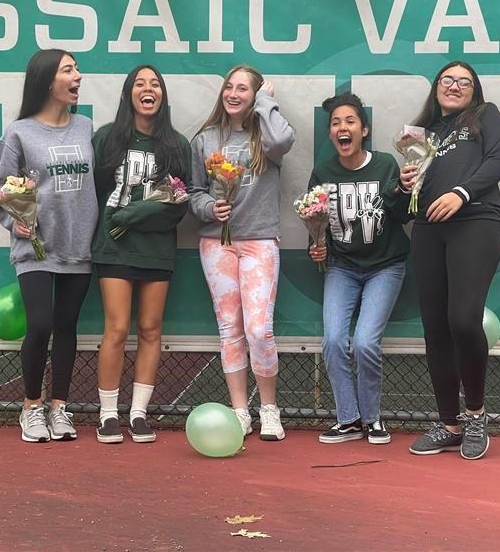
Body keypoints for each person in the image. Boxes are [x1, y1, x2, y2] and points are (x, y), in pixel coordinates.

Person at [402, 61, 500, 460]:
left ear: (474, 91)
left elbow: (496, 162)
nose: (455, 85)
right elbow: (412, 189)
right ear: (436, 88)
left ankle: (476, 414)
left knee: (463, 319)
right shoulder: (422, 134)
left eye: (464, 81)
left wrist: (461, 192)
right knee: (435, 329)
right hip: (429, 230)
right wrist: (405, 185)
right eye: (448, 80)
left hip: (475, 222)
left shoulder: (485, 116)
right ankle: (448, 424)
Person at [0, 48, 97, 443]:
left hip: (78, 244)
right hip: (35, 246)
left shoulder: (86, 126)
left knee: (67, 327)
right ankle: (32, 407)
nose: (78, 76)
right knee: (40, 324)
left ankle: (59, 408)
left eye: (76, 69)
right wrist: (14, 222)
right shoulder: (18, 132)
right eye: (69, 70)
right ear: (47, 80)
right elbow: (3, 189)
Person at [190, 65, 295, 441]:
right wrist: (208, 209)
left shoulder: (266, 136)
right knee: (230, 330)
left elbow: (283, 141)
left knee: (258, 330)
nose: (233, 94)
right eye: (229, 87)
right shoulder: (205, 139)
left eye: (243, 89)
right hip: (216, 243)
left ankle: (269, 409)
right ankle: (239, 412)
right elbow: (193, 191)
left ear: (255, 96)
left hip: (259, 241)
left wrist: (267, 100)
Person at [92, 65, 191, 444]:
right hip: (114, 247)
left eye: (155, 84)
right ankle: (107, 415)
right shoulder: (108, 139)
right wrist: (117, 220)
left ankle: (137, 413)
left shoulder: (176, 145)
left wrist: (138, 215)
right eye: (140, 84)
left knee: (150, 330)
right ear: (128, 94)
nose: (148, 89)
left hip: (157, 249)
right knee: (116, 329)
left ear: (162, 95)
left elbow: (179, 203)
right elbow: (99, 194)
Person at [308, 93, 411, 445]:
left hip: (386, 266)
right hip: (343, 268)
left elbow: (403, 216)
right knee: (334, 340)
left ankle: (373, 418)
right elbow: (316, 223)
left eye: (349, 121)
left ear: (363, 129)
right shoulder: (322, 173)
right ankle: (349, 420)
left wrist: (399, 192)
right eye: (336, 123)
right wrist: (317, 246)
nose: (342, 128)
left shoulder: (385, 165)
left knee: (366, 342)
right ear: (331, 134)